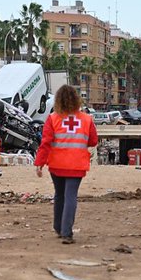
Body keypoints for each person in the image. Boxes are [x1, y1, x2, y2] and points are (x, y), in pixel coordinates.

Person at [35, 85, 98, 244]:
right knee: (71, 196)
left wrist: (39, 163)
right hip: (77, 165)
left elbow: (46, 142)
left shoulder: (53, 118)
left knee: (59, 194)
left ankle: (58, 227)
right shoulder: (86, 119)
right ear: (77, 99)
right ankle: (66, 232)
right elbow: (93, 141)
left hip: (57, 164)